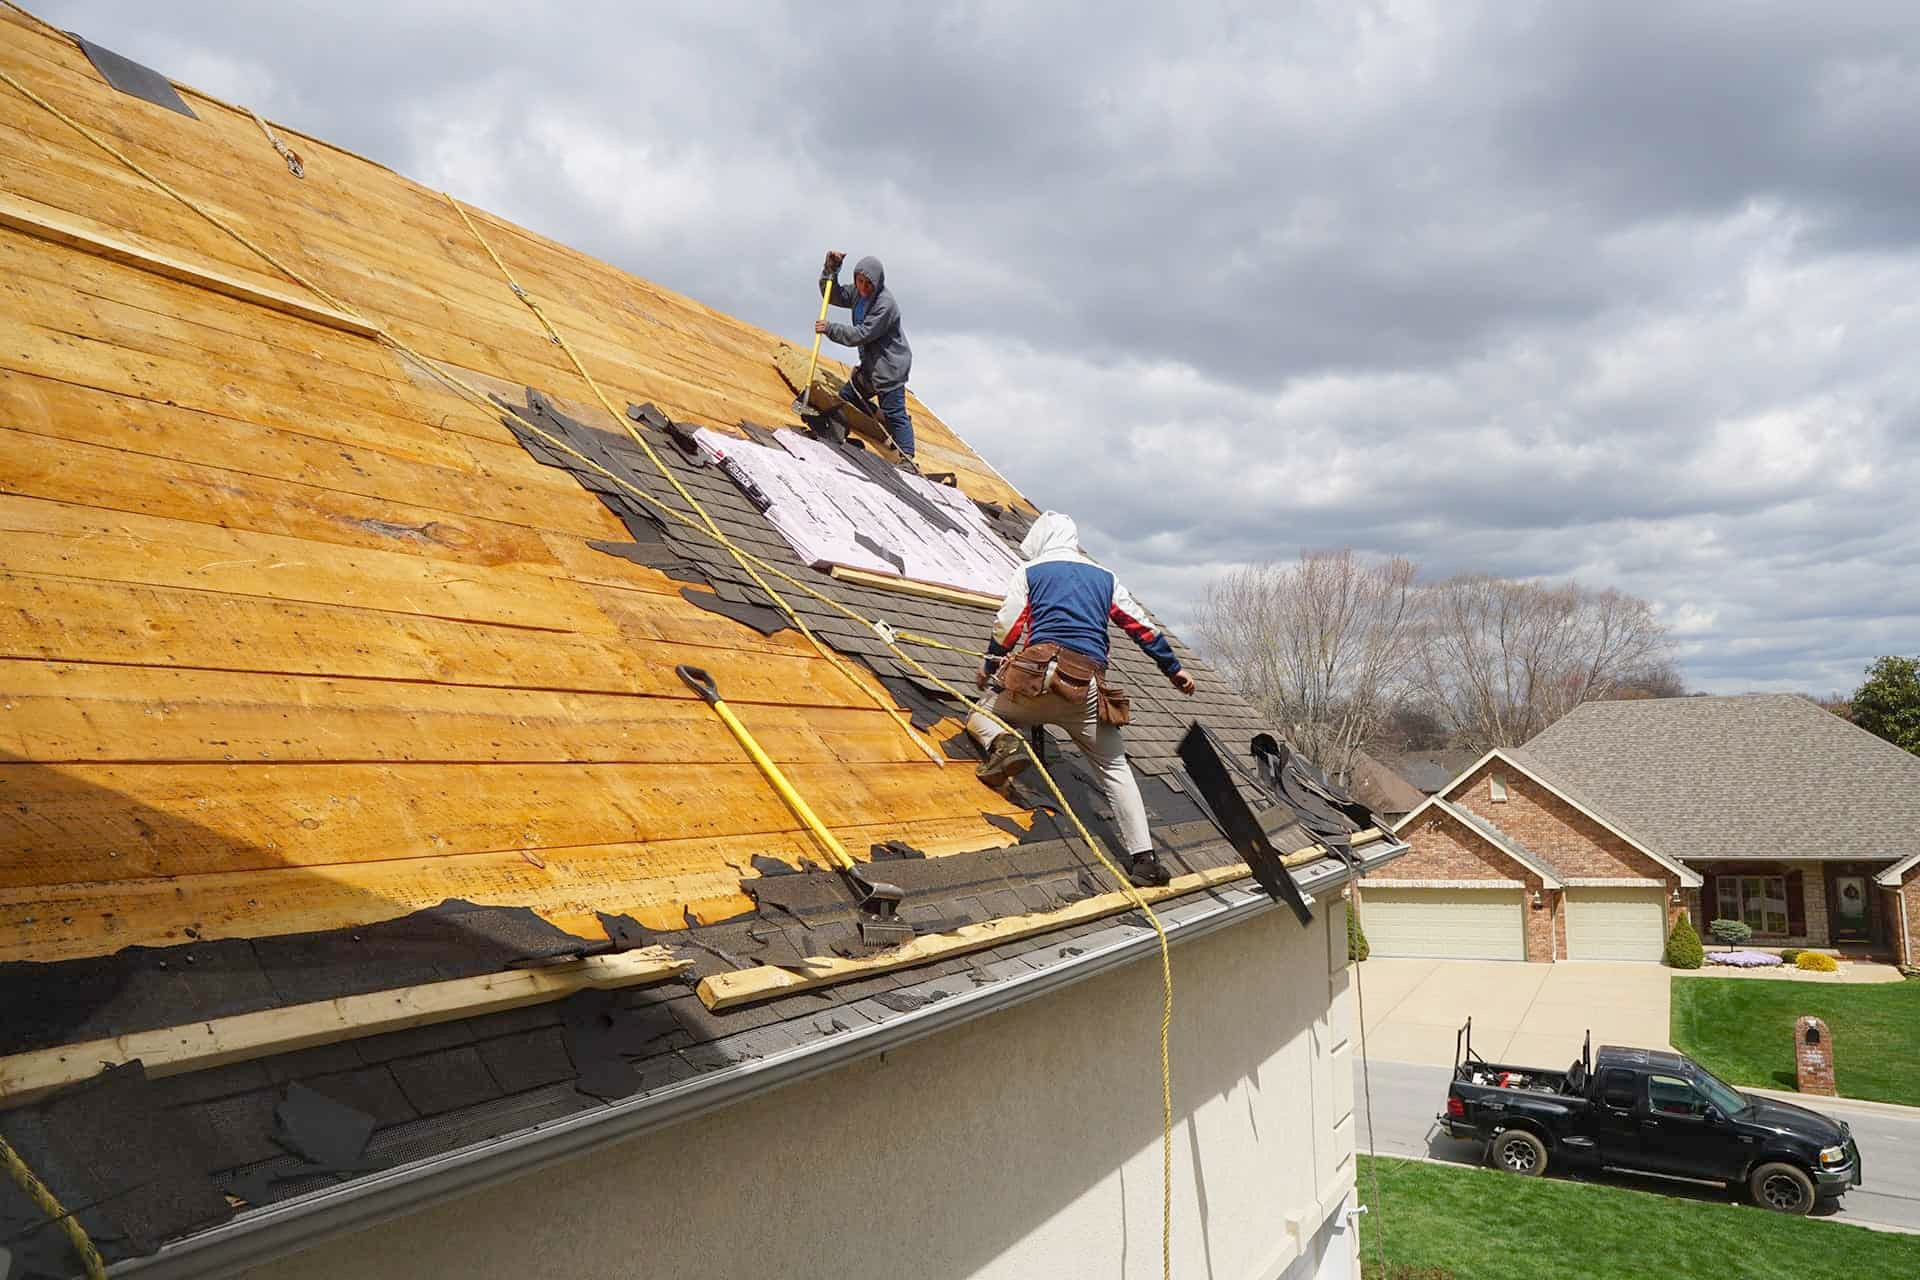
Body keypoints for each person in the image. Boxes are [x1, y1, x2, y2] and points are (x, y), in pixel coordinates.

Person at [965, 512, 1197, 888]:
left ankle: (1005, 743)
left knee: (980, 714)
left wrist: (990, 666)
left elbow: (1009, 624)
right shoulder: (1105, 577)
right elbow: (1141, 628)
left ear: (1041, 539)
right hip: (1085, 688)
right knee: (1115, 769)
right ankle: (1145, 860)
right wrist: (1174, 670)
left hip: (1036, 680)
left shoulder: (1032, 571)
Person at [816, 251, 915, 458]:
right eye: (859, 281)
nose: (863, 287)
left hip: (890, 368)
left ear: (877, 283)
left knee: (896, 415)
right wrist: (831, 270)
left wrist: (830, 329)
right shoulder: (858, 294)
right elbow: (832, 294)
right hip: (871, 365)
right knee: (847, 398)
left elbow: (862, 334)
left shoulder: (884, 304)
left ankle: (908, 458)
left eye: (868, 284)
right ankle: (876, 418)